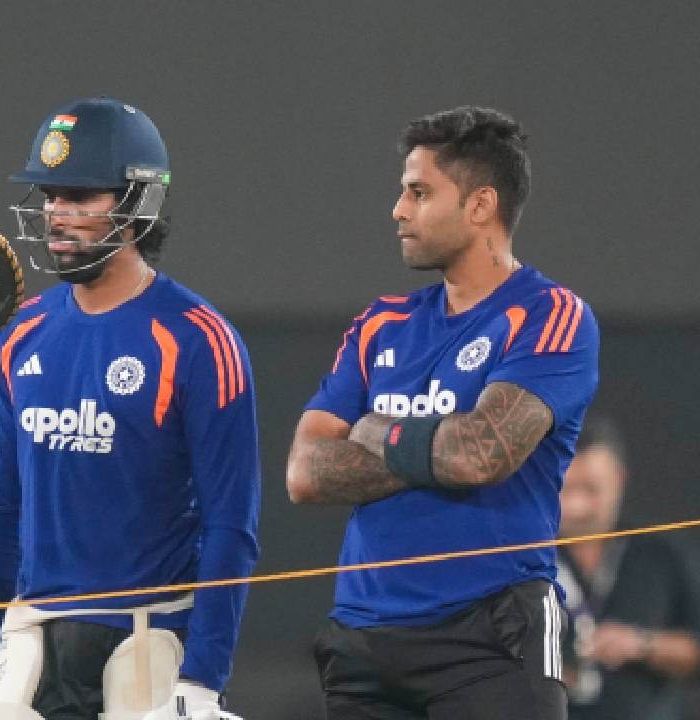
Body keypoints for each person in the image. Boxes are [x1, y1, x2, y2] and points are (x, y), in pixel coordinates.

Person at [0, 96, 261, 720]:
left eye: (79, 197)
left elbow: (230, 523)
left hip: (150, 635)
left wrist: (203, 679)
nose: (56, 214)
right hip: (32, 634)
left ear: (137, 204)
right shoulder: (21, 334)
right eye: (52, 196)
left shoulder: (198, 339)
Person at [286, 106, 600, 719]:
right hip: (364, 637)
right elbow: (305, 471)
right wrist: (436, 449)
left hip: (491, 636)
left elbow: (480, 454)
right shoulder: (381, 323)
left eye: (419, 192)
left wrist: (374, 429)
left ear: (480, 205)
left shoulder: (551, 314)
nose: (398, 210)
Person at [556, 416, 700, 719]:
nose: (577, 506)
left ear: (618, 479)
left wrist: (643, 645)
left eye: (590, 490)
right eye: (566, 490)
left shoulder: (661, 554)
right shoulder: (526, 564)